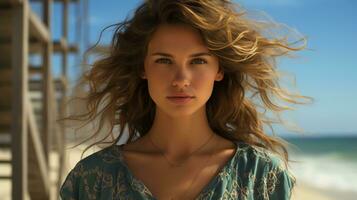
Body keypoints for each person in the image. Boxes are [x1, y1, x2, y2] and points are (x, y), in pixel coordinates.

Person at [60, 0, 311, 199]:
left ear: (219, 70)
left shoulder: (261, 175)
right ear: (143, 68)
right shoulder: (92, 178)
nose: (181, 79)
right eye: (164, 61)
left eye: (198, 61)